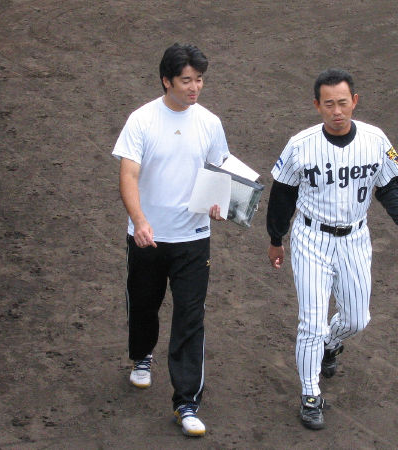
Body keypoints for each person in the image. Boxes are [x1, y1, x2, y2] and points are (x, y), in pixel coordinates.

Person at [266, 68, 398, 430]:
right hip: (311, 239)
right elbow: (282, 196)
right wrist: (276, 239)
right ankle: (310, 394)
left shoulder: (375, 139)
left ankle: (331, 343)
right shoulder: (300, 145)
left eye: (342, 103)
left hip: (355, 238)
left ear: (354, 101)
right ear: (317, 105)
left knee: (356, 319)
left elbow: (390, 187)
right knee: (312, 323)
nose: (336, 111)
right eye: (328, 104)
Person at [112, 43, 229, 437]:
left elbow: (219, 171)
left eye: (199, 80)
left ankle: (187, 403)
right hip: (147, 237)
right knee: (144, 305)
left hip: (193, 239)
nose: (194, 87)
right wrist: (139, 221)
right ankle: (142, 355)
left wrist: (218, 203)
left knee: (190, 317)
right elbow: (129, 175)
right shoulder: (142, 120)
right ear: (167, 80)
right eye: (186, 80)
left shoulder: (210, 123)